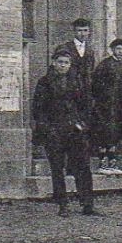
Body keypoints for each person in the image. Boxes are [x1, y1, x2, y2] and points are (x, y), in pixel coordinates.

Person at [32, 47, 96, 216]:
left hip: (74, 130)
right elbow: (38, 109)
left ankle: (87, 203)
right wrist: (47, 129)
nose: (63, 66)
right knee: (57, 168)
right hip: (54, 131)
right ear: (53, 63)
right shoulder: (44, 83)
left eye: (66, 63)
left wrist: (82, 123)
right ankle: (62, 204)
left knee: (82, 166)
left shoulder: (77, 82)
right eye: (60, 62)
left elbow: (86, 104)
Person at [91, 38, 122, 174]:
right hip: (105, 105)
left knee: (115, 134)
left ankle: (112, 164)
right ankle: (103, 164)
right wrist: (103, 100)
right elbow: (96, 84)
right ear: (112, 49)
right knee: (104, 134)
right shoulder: (105, 65)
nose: (121, 52)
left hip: (118, 106)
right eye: (118, 49)